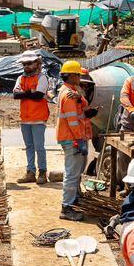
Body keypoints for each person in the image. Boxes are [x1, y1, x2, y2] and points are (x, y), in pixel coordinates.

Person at [56, 60, 93, 219]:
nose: (79, 78)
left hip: (74, 137)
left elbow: (83, 107)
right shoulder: (68, 95)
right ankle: (66, 208)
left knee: (76, 172)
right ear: (70, 75)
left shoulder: (71, 92)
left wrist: (81, 98)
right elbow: (72, 121)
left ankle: (73, 201)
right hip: (73, 138)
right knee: (72, 174)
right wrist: (79, 139)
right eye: (77, 75)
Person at [13, 51, 51, 184]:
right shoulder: (21, 78)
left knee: (39, 147)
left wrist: (24, 93)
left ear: (36, 63)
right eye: (24, 64)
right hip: (25, 118)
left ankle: (42, 172)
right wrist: (30, 92)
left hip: (38, 118)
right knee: (29, 146)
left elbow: (39, 95)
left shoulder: (42, 78)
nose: (26, 66)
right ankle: (30, 172)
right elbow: (15, 95)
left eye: (29, 63)